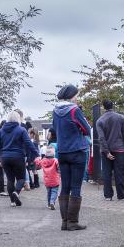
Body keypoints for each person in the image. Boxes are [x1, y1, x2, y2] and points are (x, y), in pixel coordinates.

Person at [52, 84, 93, 230]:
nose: (77, 97)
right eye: (76, 95)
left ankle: (64, 222)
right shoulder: (74, 110)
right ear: (71, 96)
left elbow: (54, 129)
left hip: (62, 152)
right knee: (76, 187)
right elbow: (87, 129)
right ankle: (73, 223)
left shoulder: (55, 111)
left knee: (65, 187)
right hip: (77, 151)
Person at [0, 111, 39, 206]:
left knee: (10, 180)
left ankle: (12, 201)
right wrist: (36, 154)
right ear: (18, 119)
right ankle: (16, 192)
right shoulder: (21, 130)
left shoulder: (1, 131)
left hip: (5, 158)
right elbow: (28, 143)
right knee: (21, 178)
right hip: (18, 157)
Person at [95, 100, 124, 201]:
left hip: (105, 151)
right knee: (119, 173)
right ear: (113, 106)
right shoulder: (121, 117)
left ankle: (108, 196)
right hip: (119, 149)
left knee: (106, 173)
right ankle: (122, 195)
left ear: (103, 107)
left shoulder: (99, 120)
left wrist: (107, 152)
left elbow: (101, 138)